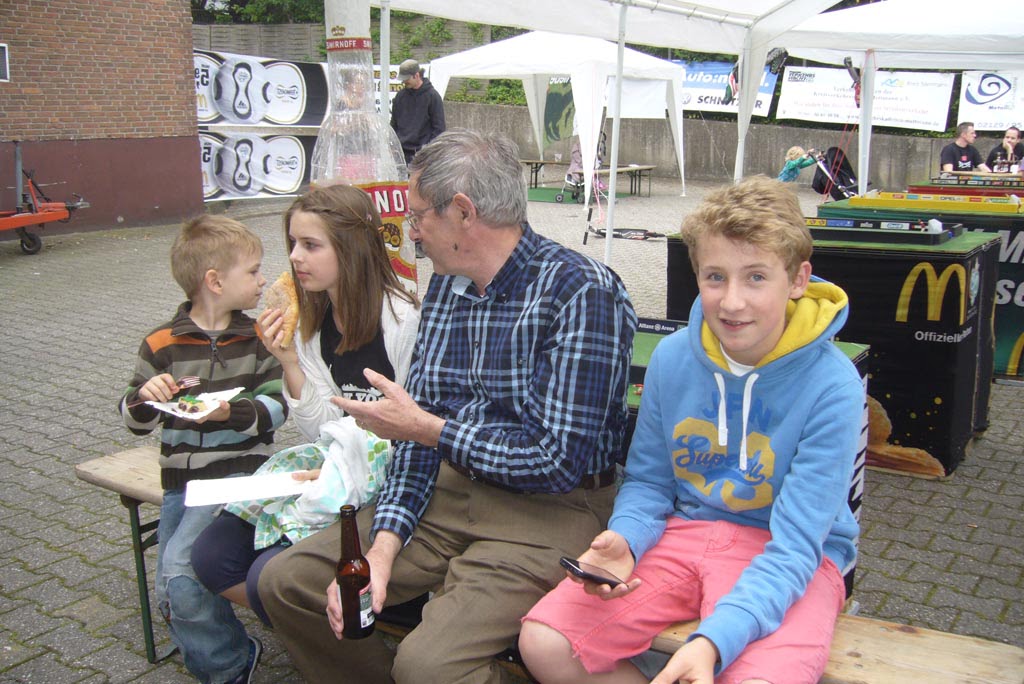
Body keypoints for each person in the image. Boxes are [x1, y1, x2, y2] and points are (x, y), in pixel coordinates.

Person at [259, 129, 638, 684]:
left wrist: (431, 430)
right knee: (287, 583)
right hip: (449, 493)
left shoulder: (581, 291)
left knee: (426, 666)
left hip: (551, 511)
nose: (410, 232)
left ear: (463, 212)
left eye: (417, 217)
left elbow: (557, 461)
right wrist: (383, 550)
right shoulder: (447, 286)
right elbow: (417, 437)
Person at [519, 175, 864, 684]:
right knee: (545, 641)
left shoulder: (833, 385)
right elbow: (650, 481)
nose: (732, 302)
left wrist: (713, 640)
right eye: (715, 277)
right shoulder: (673, 357)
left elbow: (797, 546)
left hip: (791, 556)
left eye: (756, 277)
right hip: (685, 534)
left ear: (797, 280)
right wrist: (628, 539)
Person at [191, 184, 420, 627]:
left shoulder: (403, 319)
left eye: (311, 245)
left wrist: (345, 465)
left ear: (351, 249)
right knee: (211, 555)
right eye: (293, 243)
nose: (295, 257)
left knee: (267, 576)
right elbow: (321, 430)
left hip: (389, 482)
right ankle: (323, 621)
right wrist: (289, 361)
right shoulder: (310, 324)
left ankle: (352, 622)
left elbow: (414, 433)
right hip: (334, 470)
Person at [120, 215, 288, 684]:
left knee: (180, 576)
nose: (262, 280)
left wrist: (228, 413)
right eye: (253, 271)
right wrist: (144, 397)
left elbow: (276, 409)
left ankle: (227, 668)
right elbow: (134, 421)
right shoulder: (161, 343)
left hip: (238, 475)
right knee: (170, 592)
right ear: (215, 281)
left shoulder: (258, 340)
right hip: (182, 484)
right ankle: (231, 654)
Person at [390, 58, 446, 165]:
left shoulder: (433, 97)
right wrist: (393, 145)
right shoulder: (400, 96)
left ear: (416, 75)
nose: (403, 82)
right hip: (401, 153)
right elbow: (394, 124)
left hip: (423, 154)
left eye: (406, 79)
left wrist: (428, 150)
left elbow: (439, 129)